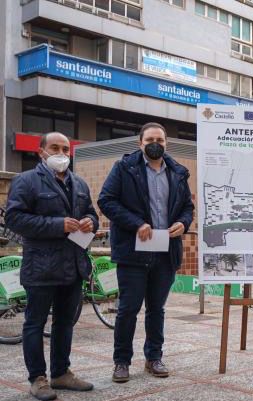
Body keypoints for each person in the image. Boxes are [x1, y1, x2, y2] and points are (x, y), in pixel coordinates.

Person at [98, 122, 194, 383]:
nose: (155, 144)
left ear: (166, 143)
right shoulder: (124, 168)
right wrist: (135, 223)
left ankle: (154, 358)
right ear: (140, 143)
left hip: (165, 251)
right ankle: (121, 362)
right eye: (150, 139)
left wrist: (183, 224)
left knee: (156, 309)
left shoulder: (177, 172)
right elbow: (106, 200)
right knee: (128, 309)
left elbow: (187, 206)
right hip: (133, 251)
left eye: (160, 140)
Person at [5, 132, 97, 400]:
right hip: (41, 267)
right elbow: (15, 218)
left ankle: (61, 373)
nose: (61, 153)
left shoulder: (78, 183)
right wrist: (57, 225)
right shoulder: (26, 180)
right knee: (34, 323)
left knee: (65, 323)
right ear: (41, 151)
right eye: (54, 147)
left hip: (73, 265)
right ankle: (38, 379)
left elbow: (91, 212)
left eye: (65, 148)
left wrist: (91, 221)